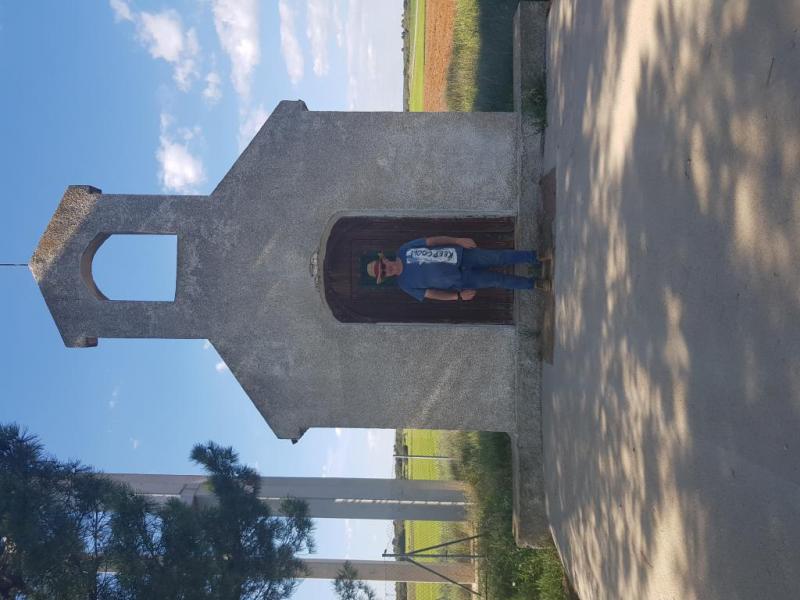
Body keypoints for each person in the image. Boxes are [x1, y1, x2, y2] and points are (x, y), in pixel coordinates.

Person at [365, 236, 551, 301]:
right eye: (383, 273)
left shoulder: (405, 249)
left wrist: (458, 240)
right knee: (498, 280)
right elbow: (432, 294)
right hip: (461, 281)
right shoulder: (405, 285)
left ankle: (536, 257)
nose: (386, 269)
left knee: (499, 257)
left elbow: (433, 241)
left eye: (383, 266)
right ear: (385, 277)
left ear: (384, 260)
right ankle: (535, 284)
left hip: (462, 256)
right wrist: (458, 297)